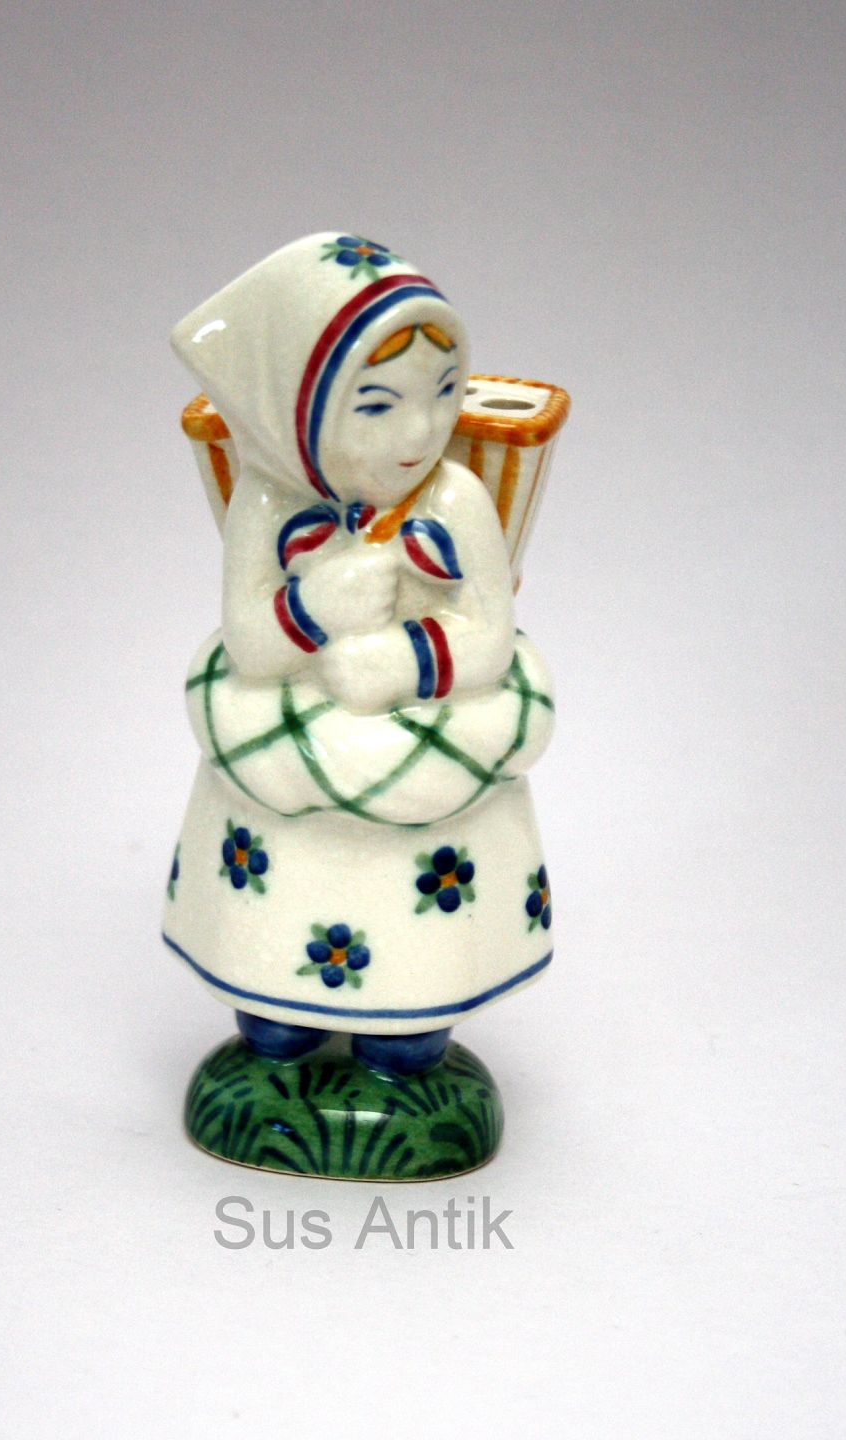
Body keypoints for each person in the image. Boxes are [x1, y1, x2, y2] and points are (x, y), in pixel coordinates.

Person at [163, 233, 554, 1076]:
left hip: (419, 745)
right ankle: (273, 1010)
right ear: (291, 417)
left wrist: (403, 663)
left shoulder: (455, 498)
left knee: (412, 978)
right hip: (287, 744)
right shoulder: (267, 498)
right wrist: (312, 606)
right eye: (376, 406)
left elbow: (489, 636)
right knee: (277, 943)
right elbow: (250, 645)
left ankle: (408, 1027)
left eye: (443, 393)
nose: (421, 431)